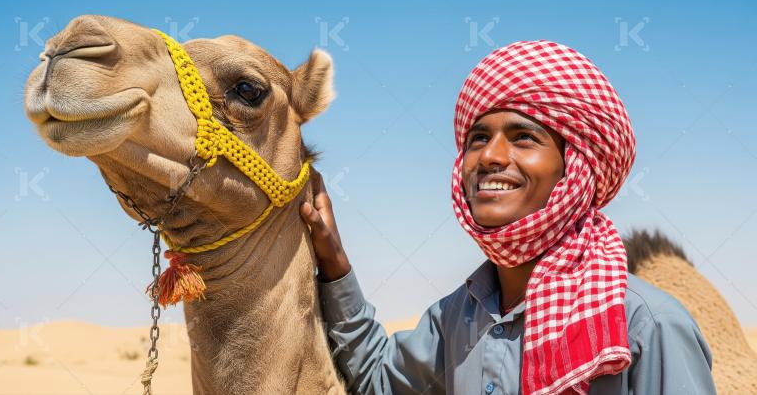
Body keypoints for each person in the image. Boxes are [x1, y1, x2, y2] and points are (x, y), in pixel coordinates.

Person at [300, 41, 716, 394]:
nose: (491, 157)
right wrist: (334, 260)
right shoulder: (457, 318)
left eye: (523, 138)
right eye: (478, 138)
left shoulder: (648, 326)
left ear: (574, 168)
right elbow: (380, 379)